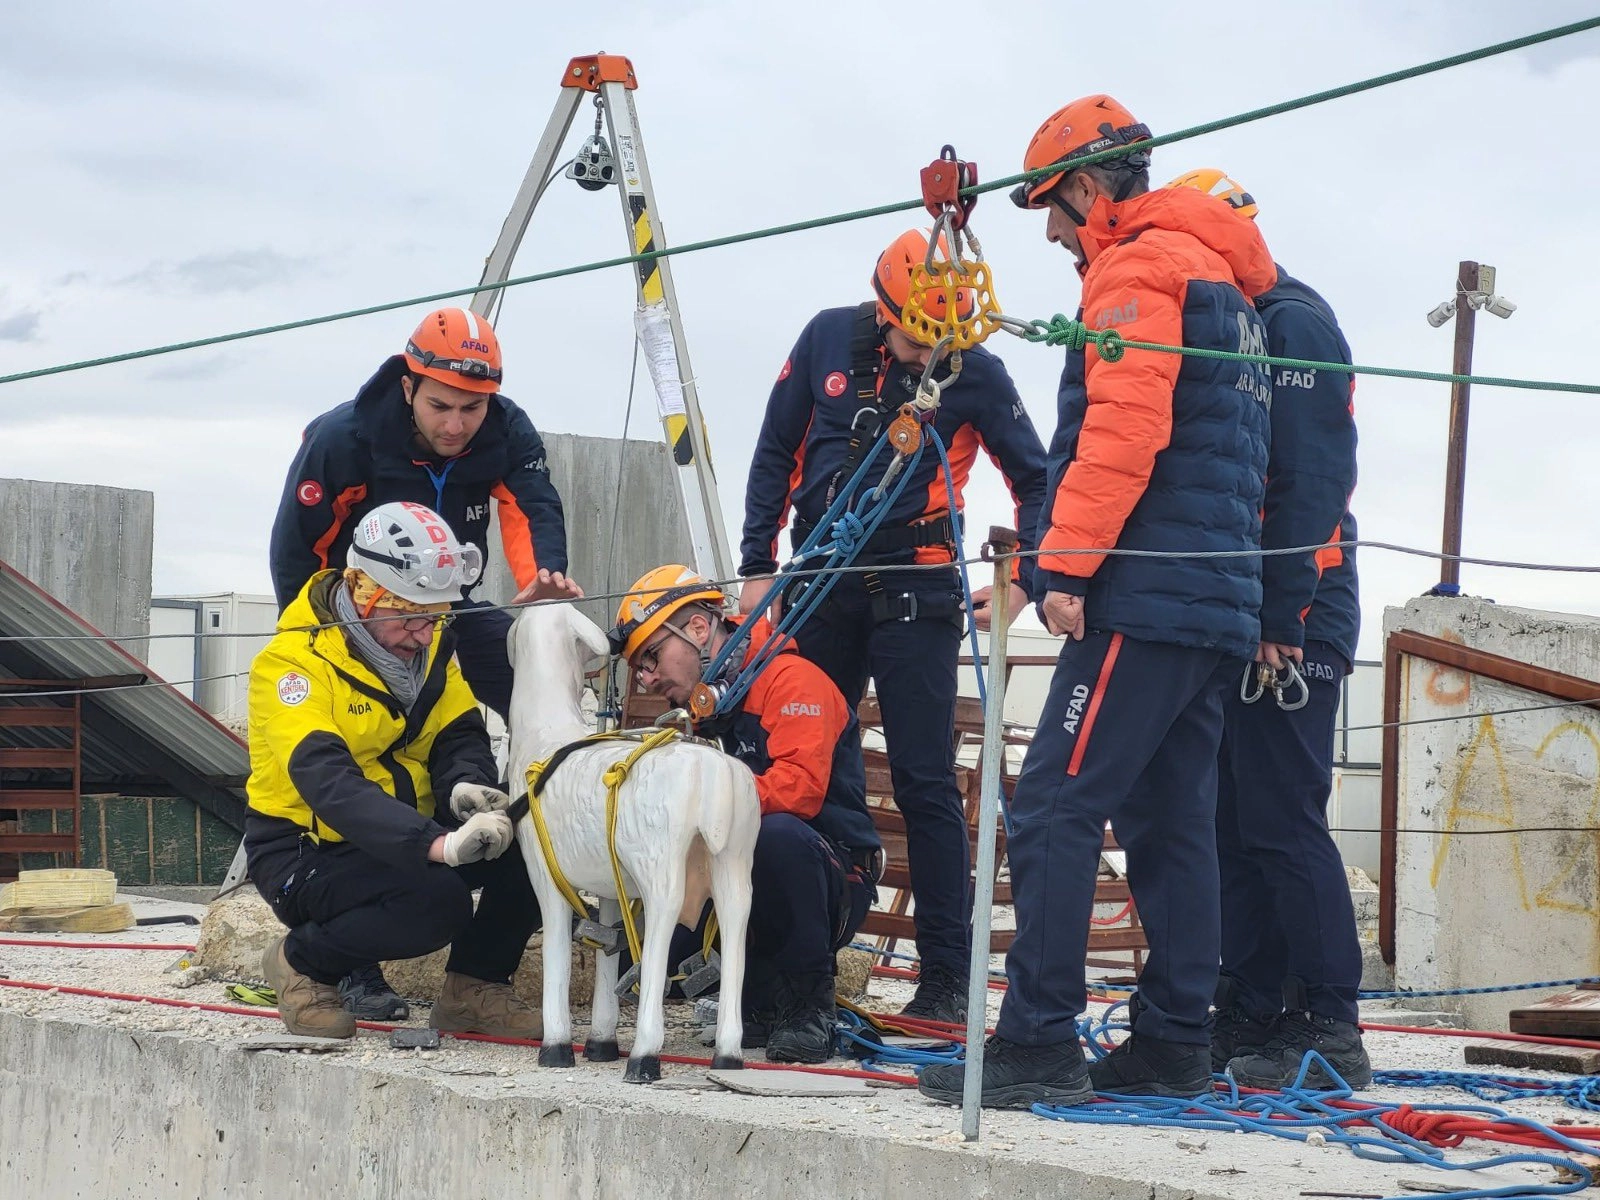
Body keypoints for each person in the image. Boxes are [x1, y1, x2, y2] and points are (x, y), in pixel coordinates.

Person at [921, 95, 1275, 1108]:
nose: (1049, 234)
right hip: (1214, 601)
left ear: (1084, 188)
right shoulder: (1225, 285)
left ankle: (1036, 1039)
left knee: (1052, 806)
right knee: (1170, 823)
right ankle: (1173, 1042)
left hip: (1145, 596)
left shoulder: (1136, 269)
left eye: (1049, 209)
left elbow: (1125, 429)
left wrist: (1065, 567)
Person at [738, 229, 1047, 1022]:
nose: (929, 355)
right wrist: (757, 564)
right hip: (823, 581)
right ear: (884, 312)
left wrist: (1026, 581)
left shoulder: (976, 371)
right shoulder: (825, 339)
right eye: (916, 339)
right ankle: (795, 973)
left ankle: (944, 980)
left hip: (919, 590)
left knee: (925, 783)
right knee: (806, 763)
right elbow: (775, 451)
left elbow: (1037, 480)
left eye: (945, 340)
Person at [268, 306, 580, 1017]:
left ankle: (478, 978)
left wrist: (544, 582)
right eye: (441, 406)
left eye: (473, 408)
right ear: (408, 386)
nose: (457, 425)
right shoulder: (344, 439)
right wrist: (322, 644)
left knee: (535, 693)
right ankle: (350, 966)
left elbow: (531, 504)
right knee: (362, 758)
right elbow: (296, 550)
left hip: (448, 606)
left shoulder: (506, 429)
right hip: (356, 615)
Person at [1167, 169, 1368, 1088]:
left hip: (1296, 610)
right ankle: (1251, 1003)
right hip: (1245, 607)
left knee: (1283, 818)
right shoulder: (1241, 324)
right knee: (1228, 819)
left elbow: (1314, 480)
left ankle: (1330, 1021)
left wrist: (1282, 611)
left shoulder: (1293, 324)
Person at [246, 501, 542, 1041]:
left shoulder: (430, 647)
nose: (425, 635)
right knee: (435, 903)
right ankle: (302, 964)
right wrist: (436, 845)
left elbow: (458, 733)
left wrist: (465, 787)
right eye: (410, 617)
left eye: (436, 617)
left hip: (407, 827)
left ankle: (474, 989)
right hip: (308, 849)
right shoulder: (291, 665)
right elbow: (328, 782)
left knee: (533, 836)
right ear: (363, 593)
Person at [612, 565, 883, 1063]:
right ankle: (758, 997)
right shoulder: (707, 708)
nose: (647, 679)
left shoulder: (792, 681)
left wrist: (700, 800)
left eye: (650, 657)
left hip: (829, 872)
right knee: (651, 952)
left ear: (698, 629)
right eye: (638, 668)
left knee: (775, 835)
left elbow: (800, 793)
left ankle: (809, 1007)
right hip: (744, 869)